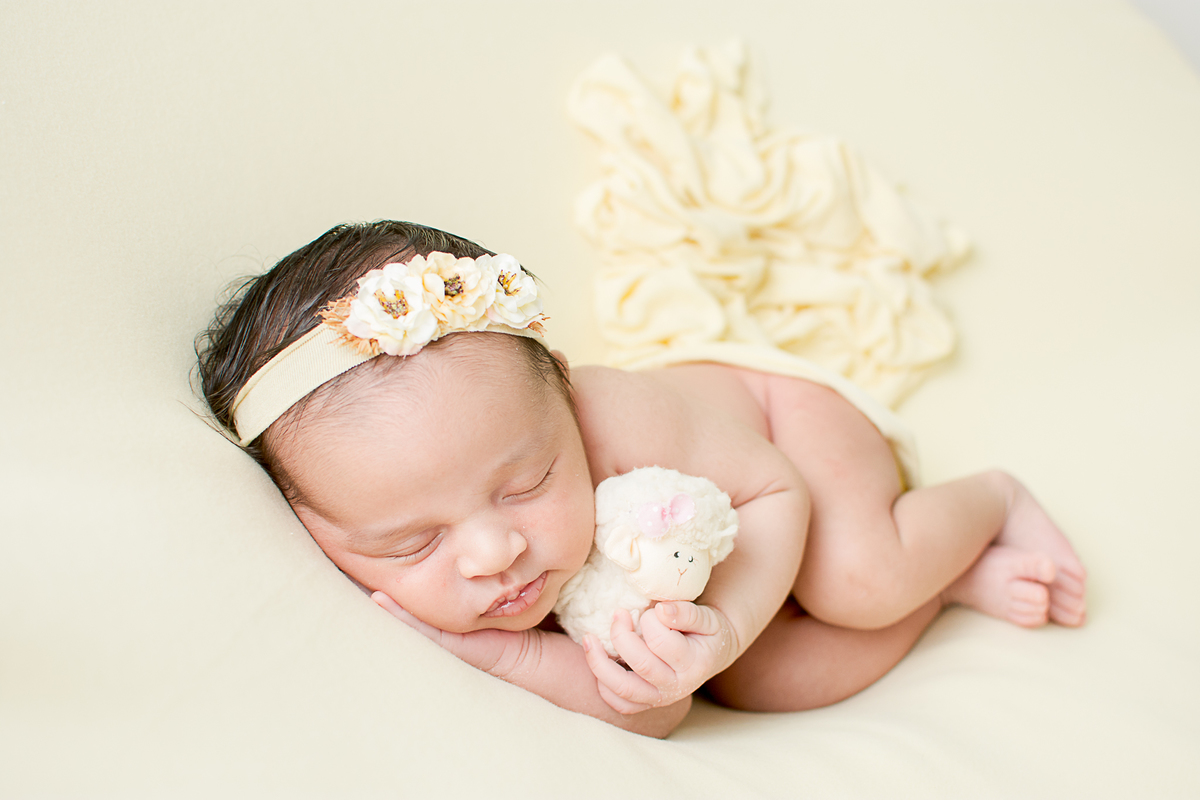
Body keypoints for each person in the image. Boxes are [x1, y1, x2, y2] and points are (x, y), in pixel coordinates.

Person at [197, 220, 1087, 738]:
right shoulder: (446, 583)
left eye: (527, 482)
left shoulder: (613, 416)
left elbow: (777, 491)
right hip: (711, 576)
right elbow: (658, 714)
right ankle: (949, 586)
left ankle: (988, 501)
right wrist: (503, 653)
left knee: (854, 582)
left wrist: (731, 621)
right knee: (766, 682)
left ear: (561, 394)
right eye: (412, 541)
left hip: (781, 438)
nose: (496, 551)